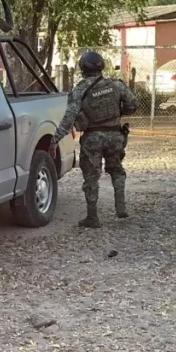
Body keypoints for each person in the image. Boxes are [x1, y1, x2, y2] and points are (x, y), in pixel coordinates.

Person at [49, 50, 138, 228]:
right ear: (101, 66)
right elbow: (132, 105)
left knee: (91, 177)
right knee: (116, 169)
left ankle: (92, 217)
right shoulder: (116, 84)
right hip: (115, 135)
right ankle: (120, 207)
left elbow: (69, 118)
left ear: (82, 68)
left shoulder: (79, 90)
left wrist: (54, 141)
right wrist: (118, 112)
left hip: (92, 139)